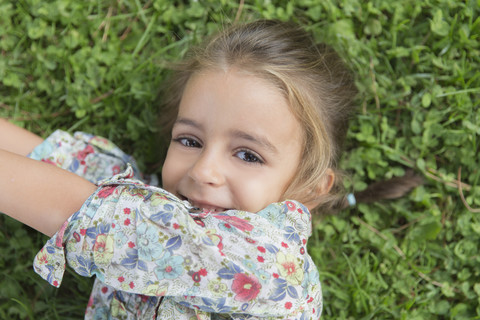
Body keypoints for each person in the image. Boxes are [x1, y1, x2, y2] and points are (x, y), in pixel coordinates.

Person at [0, 20, 418, 319]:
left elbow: (104, 219)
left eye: (248, 155)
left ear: (308, 190)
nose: (203, 170)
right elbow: (52, 159)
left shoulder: (270, 268)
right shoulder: (153, 201)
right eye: (190, 141)